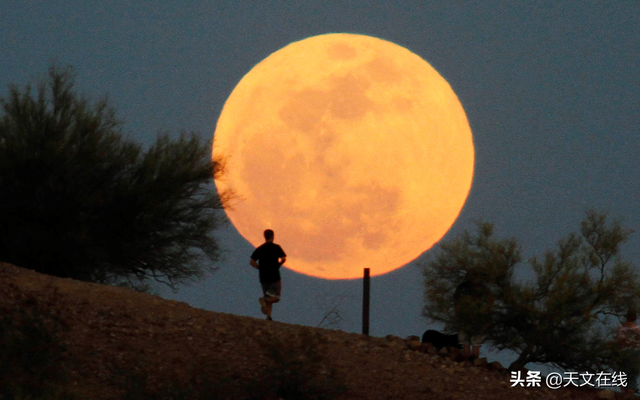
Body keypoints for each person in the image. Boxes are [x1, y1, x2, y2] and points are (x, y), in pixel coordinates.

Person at [453, 273, 493, 360]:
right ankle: (473, 365)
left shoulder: (462, 287)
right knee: (474, 344)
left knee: (467, 344)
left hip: (465, 319)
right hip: (477, 319)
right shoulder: (483, 288)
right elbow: (488, 303)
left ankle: (467, 365)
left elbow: (456, 303)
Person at [250, 229, 286, 321]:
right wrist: (279, 265)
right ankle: (265, 301)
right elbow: (283, 258)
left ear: (265, 237)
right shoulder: (276, 247)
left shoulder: (260, 248)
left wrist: (259, 267)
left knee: (268, 296)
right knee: (276, 298)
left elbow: (252, 261)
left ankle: (269, 316)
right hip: (274, 276)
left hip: (263, 277)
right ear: (273, 236)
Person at [616, 309, 640, 396]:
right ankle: (629, 394)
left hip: (623, 351)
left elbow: (618, 341)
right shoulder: (638, 330)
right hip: (635, 352)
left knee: (622, 373)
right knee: (632, 374)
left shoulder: (620, 328)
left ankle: (623, 393)